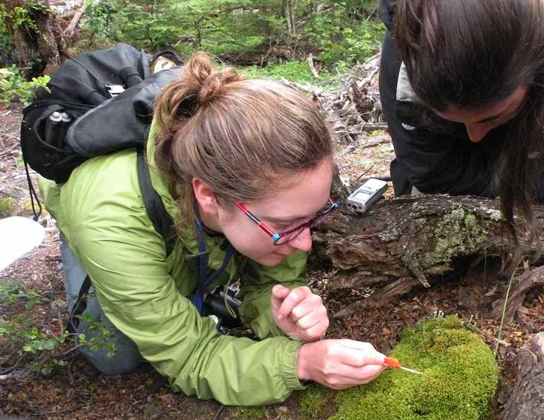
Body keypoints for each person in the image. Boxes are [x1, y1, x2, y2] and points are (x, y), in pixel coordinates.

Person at [39, 53, 386, 406]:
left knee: (220, 262)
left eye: (311, 218)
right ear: (207, 195)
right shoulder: (110, 218)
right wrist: (299, 364)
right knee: (117, 358)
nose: (305, 243)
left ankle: (194, 290)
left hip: (194, 216)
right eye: (285, 226)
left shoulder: (263, 175)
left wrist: (281, 318)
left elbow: (272, 282)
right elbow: (190, 357)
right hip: (103, 222)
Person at [379, 0, 544, 237]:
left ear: (541, 68)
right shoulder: (406, 67)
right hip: (474, 161)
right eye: (456, 119)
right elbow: (435, 173)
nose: (474, 135)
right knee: (432, 219)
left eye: (488, 117)